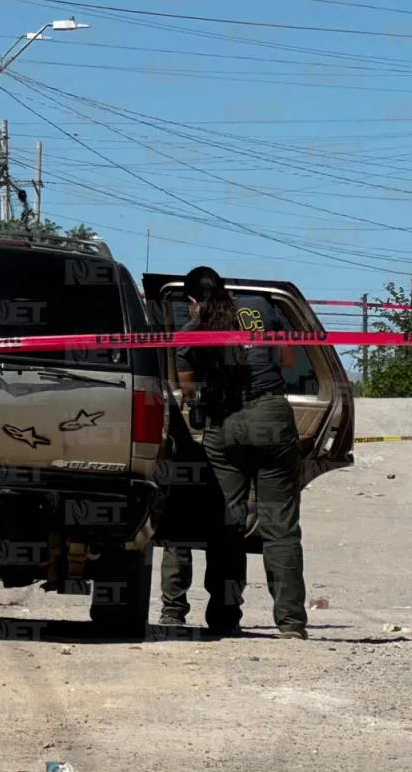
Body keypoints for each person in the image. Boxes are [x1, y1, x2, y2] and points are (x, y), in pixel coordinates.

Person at [171, 266, 306, 639]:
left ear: (192, 301)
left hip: (225, 421)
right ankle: (292, 623)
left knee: (228, 525)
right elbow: (291, 361)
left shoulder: (189, 333)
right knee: (281, 527)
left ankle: (225, 617)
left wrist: (199, 400)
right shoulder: (261, 308)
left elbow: (189, 390)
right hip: (272, 415)